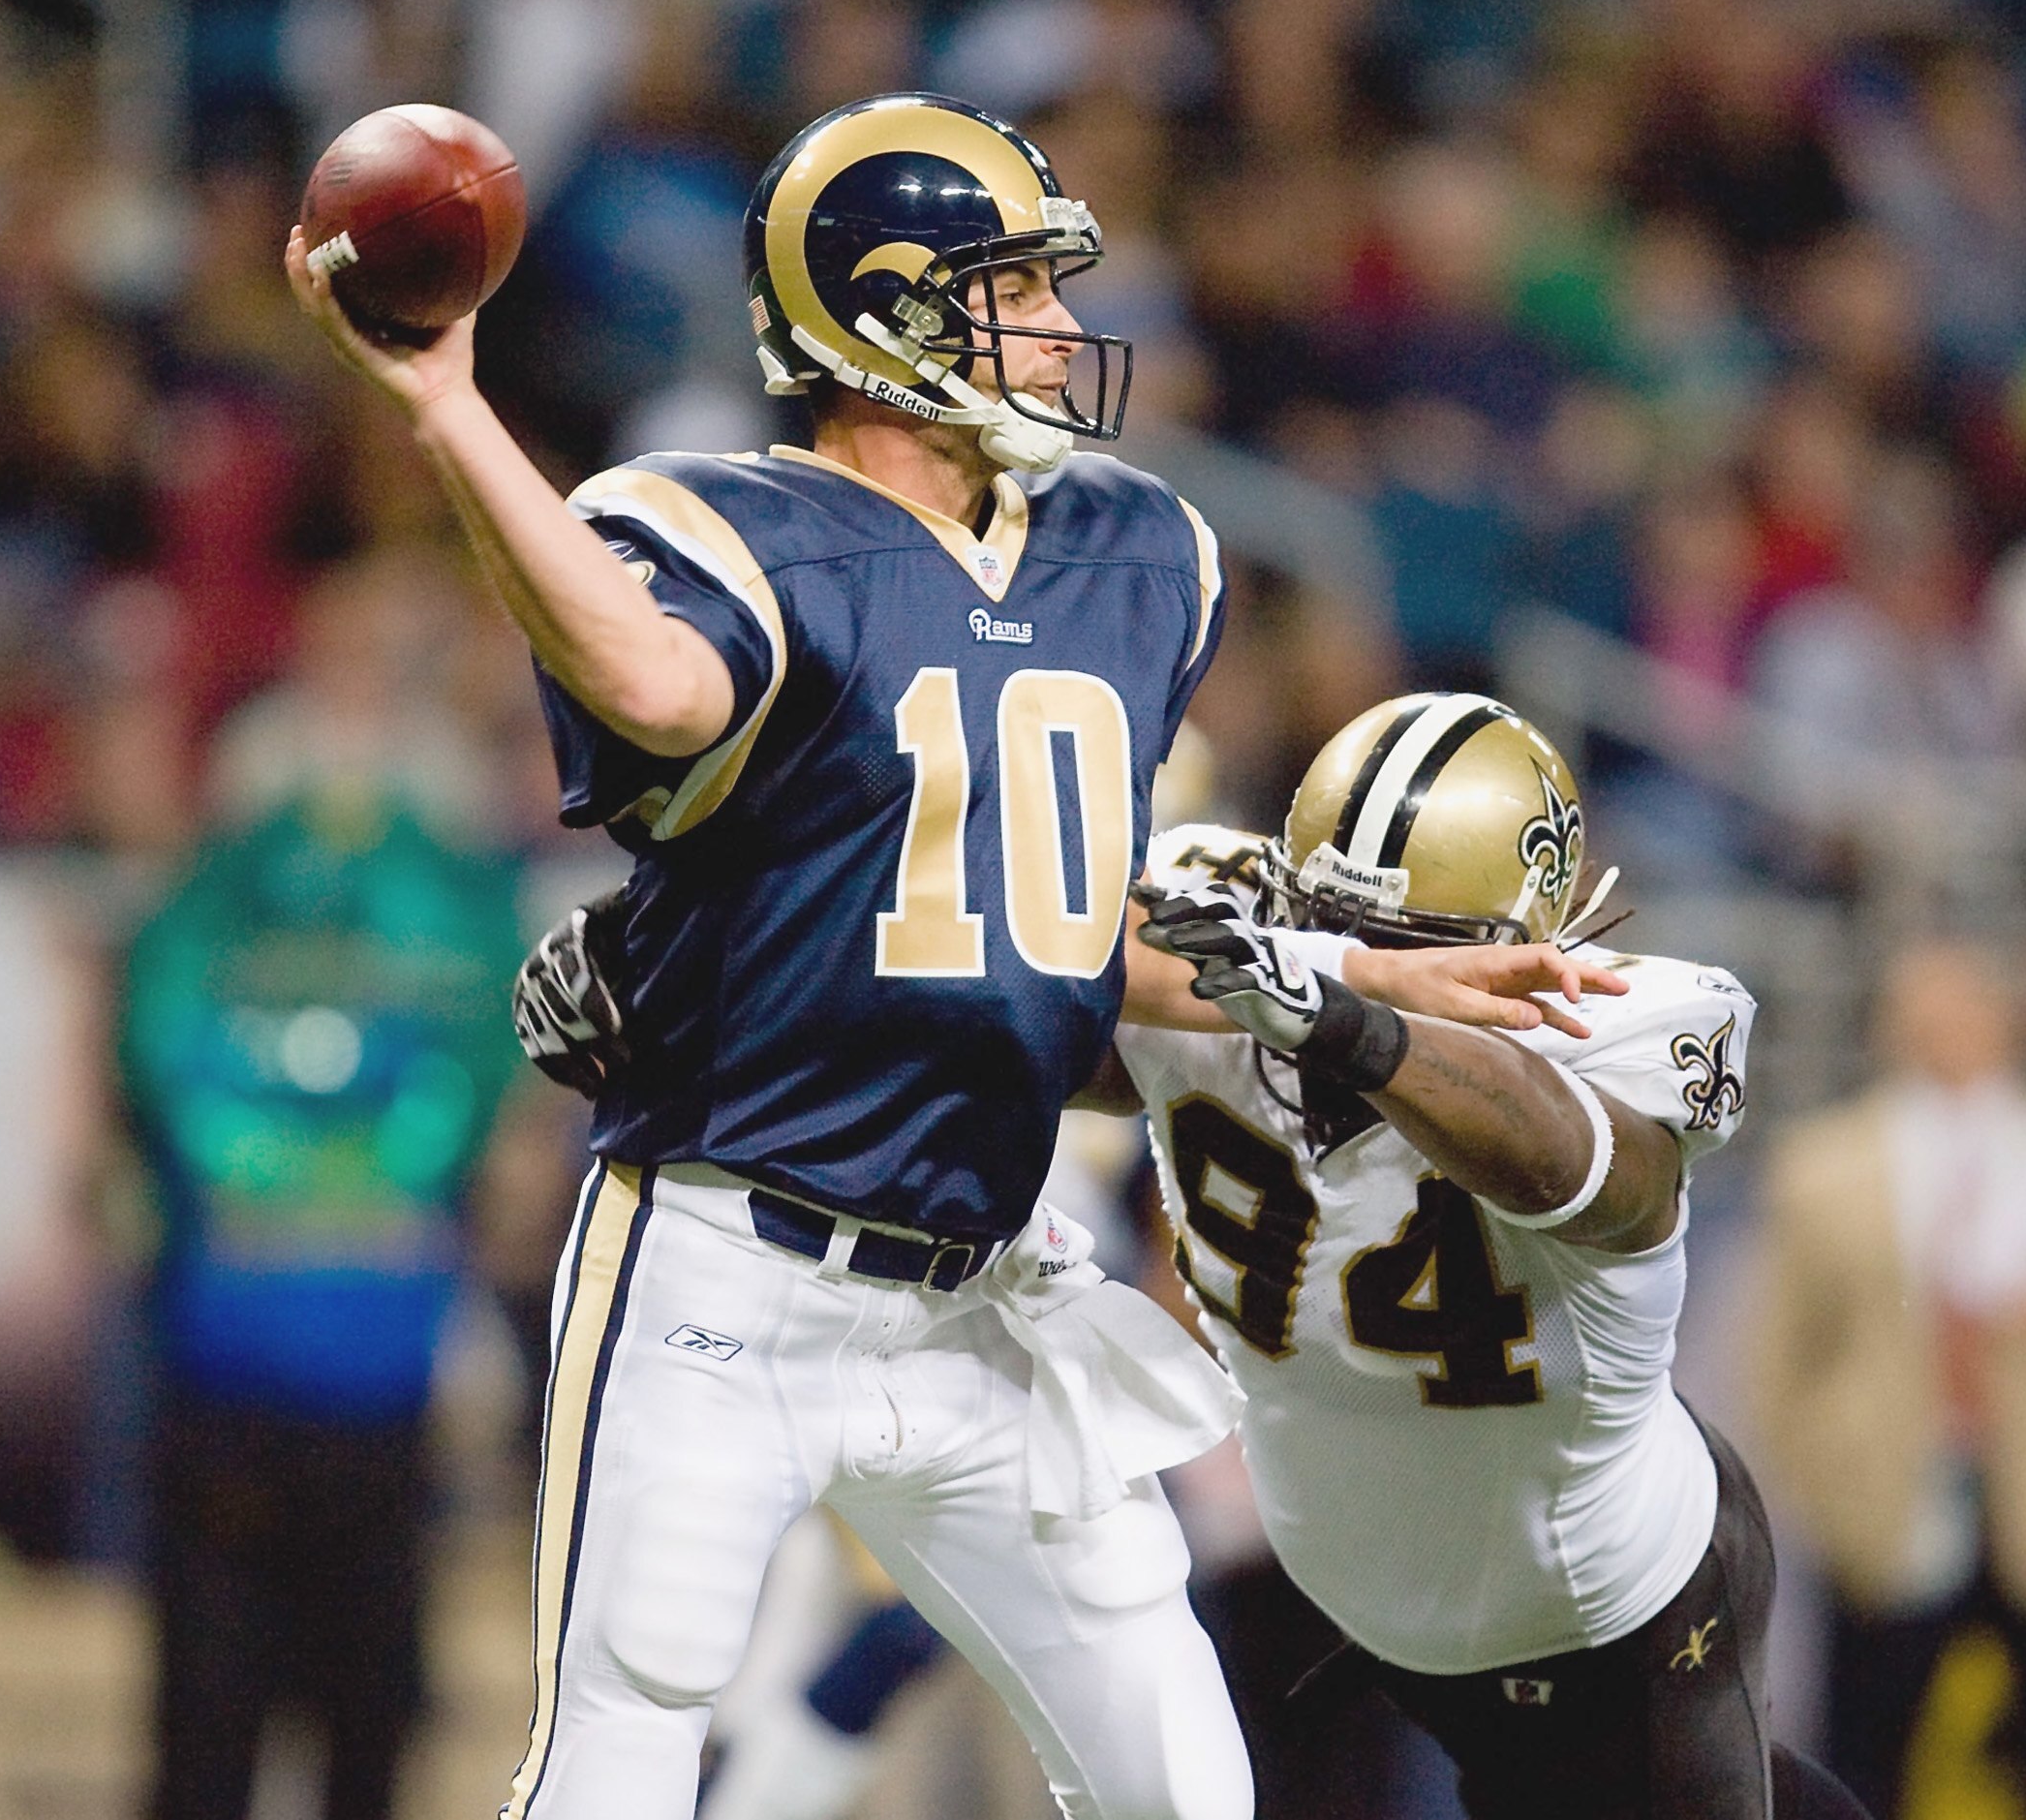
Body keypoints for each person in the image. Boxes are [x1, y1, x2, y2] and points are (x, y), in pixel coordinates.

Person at [301, 91, 1602, 1820]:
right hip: (724, 1265)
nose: (1064, 331)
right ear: (885, 316)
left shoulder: (1140, 555)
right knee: (622, 1751)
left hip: (983, 1292)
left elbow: (1074, 931)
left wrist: (1369, 984)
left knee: (1182, 1785)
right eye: (1017, 289)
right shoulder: (730, 530)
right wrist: (452, 409)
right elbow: (662, 687)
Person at [536, 693, 1871, 1819]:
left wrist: (1344, 1016)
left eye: (1414, 955)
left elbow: (1589, 1174)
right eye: (1347, 936)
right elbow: (993, 1014)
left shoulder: (1618, 1026)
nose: (1377, 971)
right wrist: (689, 1000)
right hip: (1376, 1594)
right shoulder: (1234, 944)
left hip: (1613, 1604)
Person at [119, 787, 529, 1820]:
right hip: (245, 1418)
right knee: (224, 1731)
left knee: (351, 1730)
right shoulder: (211, 1001)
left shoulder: (229, 1004)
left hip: (356, 1429)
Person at [1747, 939, 2026, 1820]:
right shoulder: (1824, 1164)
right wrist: (1827, 1490)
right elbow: (1781, 1357)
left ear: (2007, 1016)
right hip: (1890, 1510)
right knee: (1866, 1763)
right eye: (1923, 1009)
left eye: (1964, 1005)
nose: (1944, 1028)